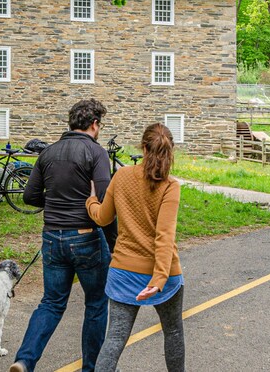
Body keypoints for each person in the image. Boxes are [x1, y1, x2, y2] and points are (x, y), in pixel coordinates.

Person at [10, 99, 113, 372]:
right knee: (96, 303)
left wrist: (56, 202)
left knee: (52, 302)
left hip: (52, 237)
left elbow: (30, 196)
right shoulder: (97, 153)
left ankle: (24, 360)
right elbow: (104, 197)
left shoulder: (48, 153)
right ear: (94, 124)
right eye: (99, 124)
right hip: (86, 237)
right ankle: (91, 368)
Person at [86, 123, 185, 372]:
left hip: (123, 271)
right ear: (171, 150)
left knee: (115, 339)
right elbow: (164, 236)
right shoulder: (170, 186)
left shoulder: (121, 176)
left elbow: (102, 218)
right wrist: (159, 278)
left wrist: (90, 201)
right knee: (172, 331)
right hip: (164, 274)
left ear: (143, 147)